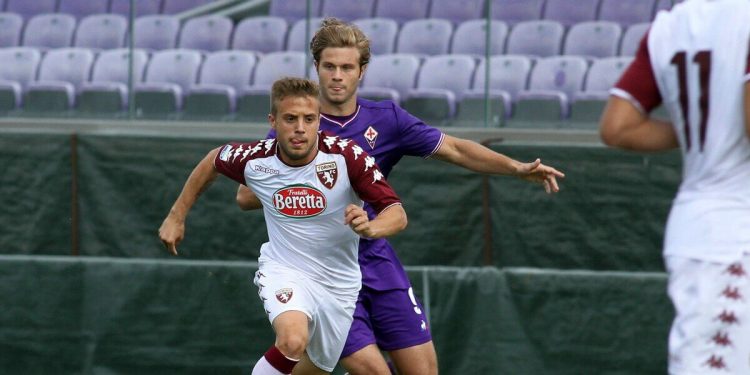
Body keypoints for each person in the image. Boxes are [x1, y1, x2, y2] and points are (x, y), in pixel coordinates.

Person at [236, 18, 565, 375]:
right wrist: (312, 189)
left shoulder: (387, 119)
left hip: (376, 259)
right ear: (316, 68)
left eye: (347, 67)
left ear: (361, 71)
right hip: (321, 269)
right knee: (372, 371)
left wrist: (516, 168)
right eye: (329, 66)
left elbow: (455, 148)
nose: (337, 75)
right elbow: (246, 195)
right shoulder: (298, 125)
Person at [159, 77, 408, 375]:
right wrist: (177, 214)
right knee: (292, 340)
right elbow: (214, 160)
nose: (300, 128)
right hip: (285, 270)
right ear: (273, 121)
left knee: (316, 367)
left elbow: (396, 213)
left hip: (339, 284)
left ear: (319, 121)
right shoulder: (255, 159)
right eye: (290, 119)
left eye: (309, 119)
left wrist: (372, 228)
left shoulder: (348, 156)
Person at [599, 0, 750, 373]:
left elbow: (618, 127)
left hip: (701, 227)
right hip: (734, 234)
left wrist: (704, 135)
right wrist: (721, 131)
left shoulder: (667, 26)